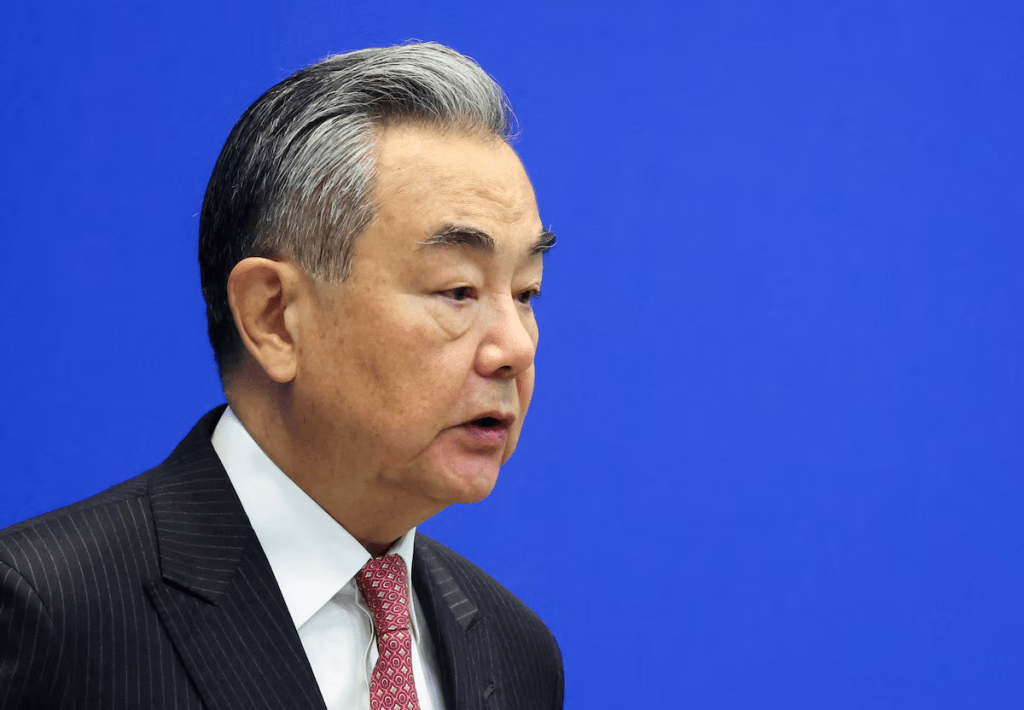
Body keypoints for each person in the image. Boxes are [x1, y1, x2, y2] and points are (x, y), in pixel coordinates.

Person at [0, 42, 563, 710]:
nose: (514, 348)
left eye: (525, 292)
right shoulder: (45, 614)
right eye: (459, 290)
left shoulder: (515, 648)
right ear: (274, 318)